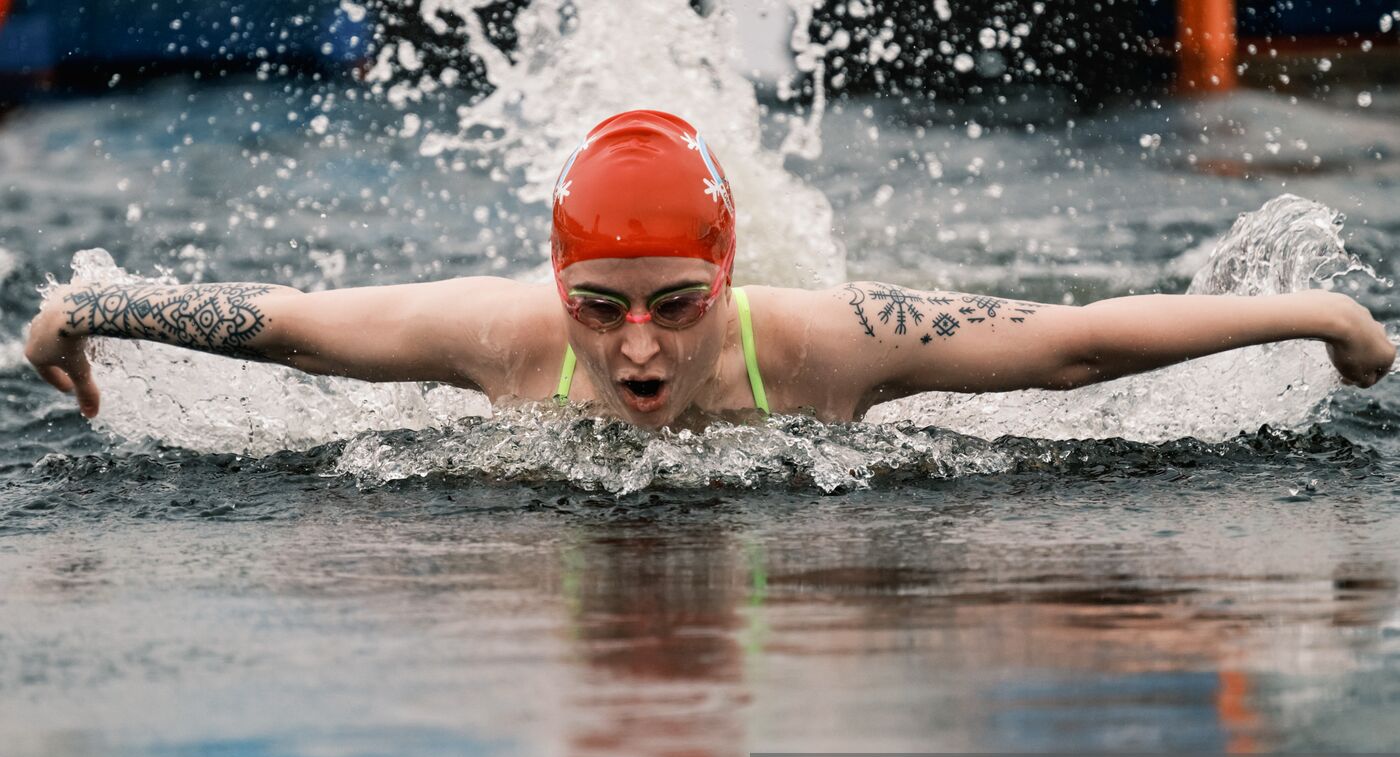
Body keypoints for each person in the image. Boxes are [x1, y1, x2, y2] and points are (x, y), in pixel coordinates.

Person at [25, 110, 1395, 428]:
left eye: (678, 309)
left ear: (726, 286)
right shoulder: (499, 333)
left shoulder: (826, 343)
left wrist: (1321, 313)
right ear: (556, 290)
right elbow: (297, 328)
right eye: (600, 310)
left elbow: (1077, 343)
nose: (633, 352)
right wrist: (88, 308)